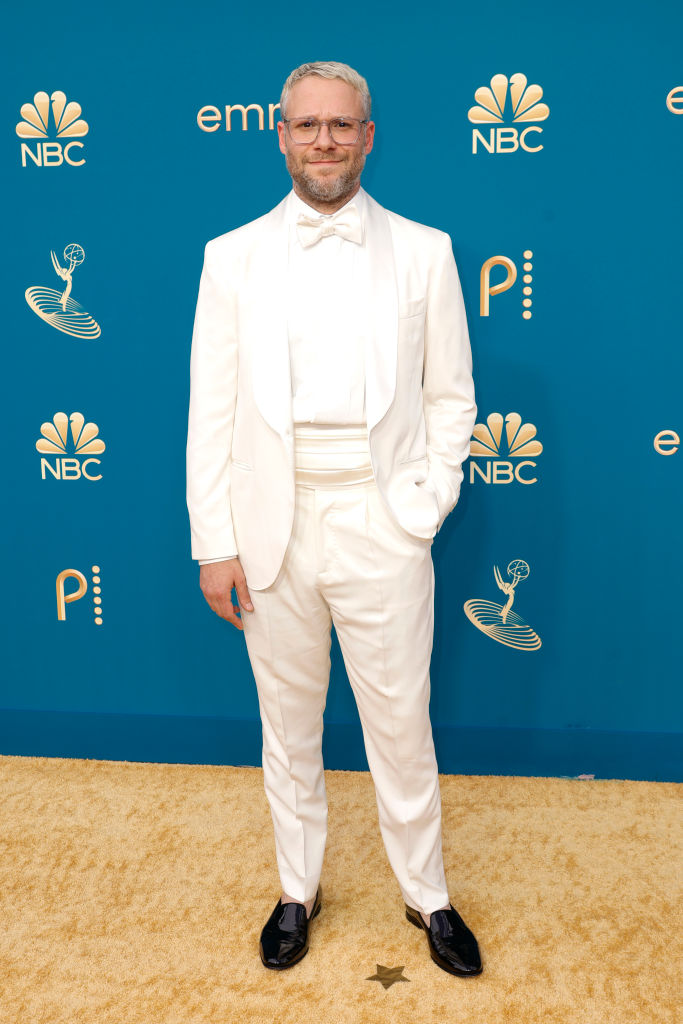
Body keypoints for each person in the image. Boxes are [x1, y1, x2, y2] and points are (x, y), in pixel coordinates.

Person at [186, 60, 481, 978]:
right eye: (307, 125)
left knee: (401, 720)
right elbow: (211, 409)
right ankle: (296, 889)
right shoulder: (229, 256)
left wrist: (422, 505)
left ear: (367, 135)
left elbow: (451, 399)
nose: (324, 141)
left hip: (381, 520)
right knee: (288, 724)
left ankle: (426, 894)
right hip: (271, 526)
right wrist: (214, 542)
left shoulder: (425, 251)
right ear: (279, 134)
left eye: (341, 126)